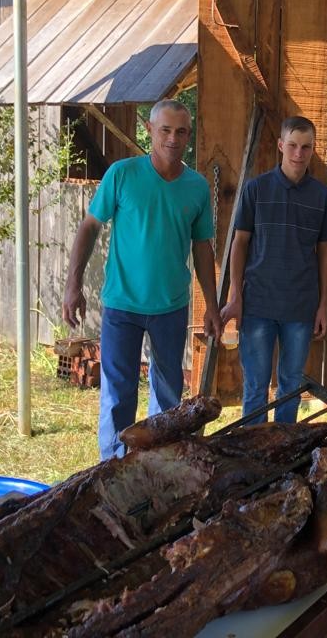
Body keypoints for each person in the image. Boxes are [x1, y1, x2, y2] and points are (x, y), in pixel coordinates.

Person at [62, 99, 222, 461]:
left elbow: (202, 248)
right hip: (122, 305)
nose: (173, 138)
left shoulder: (196, 187)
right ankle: (113, 467)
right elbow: (89, 226)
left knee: (167, 397)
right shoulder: (122, 174)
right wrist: (74, 284)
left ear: (188, 135)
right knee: (118, 394)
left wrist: (211, 306)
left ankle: (156, 465)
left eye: (181, 131)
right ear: (149, 130)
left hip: (171, 307)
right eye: (165, 130)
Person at [219, 116, 327, 424]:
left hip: (300, 306)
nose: (299, 153)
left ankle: (283, 451)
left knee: (290, 385)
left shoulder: (322, 196)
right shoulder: (256, 189)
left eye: (306, 147)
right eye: (293, 146)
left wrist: (323, 305)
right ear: (281, 145)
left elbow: (326, 251)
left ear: (313, 150)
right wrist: (235, 295)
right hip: (258, 302)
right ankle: (252, 450)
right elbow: (239, 243)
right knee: (256, 387)